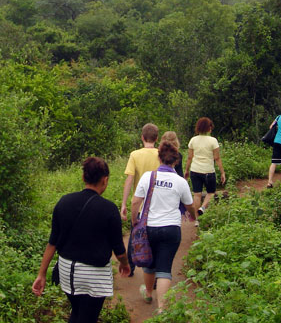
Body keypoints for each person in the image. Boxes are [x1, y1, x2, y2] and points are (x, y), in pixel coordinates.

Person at [32, 157, 130, 323]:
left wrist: (41, 274)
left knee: (78, 313)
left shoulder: (64, 202)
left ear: (84, 177)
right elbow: (119, 249)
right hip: (94, 276)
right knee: (87, 317)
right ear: (105, 180)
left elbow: (52, 243)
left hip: (66, 272)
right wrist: (125, 264)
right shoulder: (109, 209)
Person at [131, 141, 198, 314]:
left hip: (150, 227)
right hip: (171, 230)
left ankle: (147, 293)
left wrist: (134, 220)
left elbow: (135, 201)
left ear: (159, 158)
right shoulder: (180, 181)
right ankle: (162, 310)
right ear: (176, 161)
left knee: (150, 263)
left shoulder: (148, 177)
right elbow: (189, 204)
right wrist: (192, 215)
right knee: (164, 268)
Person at [121, 123, 160, 275]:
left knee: (134, 233)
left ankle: (130, 267)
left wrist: (124, 203)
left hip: (140, 203)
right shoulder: (161, 154)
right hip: (157, 203)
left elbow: (130, 179)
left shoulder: (135, 155)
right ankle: (154, 270)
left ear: (142, 137)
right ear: (156, 138)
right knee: (154, 237)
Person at [184, 118, 226, 225]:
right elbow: (217, 158)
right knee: (211, 193)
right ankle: (203, 207)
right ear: (209, 128)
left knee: (197, 194)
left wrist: (186, 170)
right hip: (208, 171)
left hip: (195, 170)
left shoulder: (193, 140)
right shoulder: (213, 141)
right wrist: (222, 172)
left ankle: (197, 220)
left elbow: (189, 157)